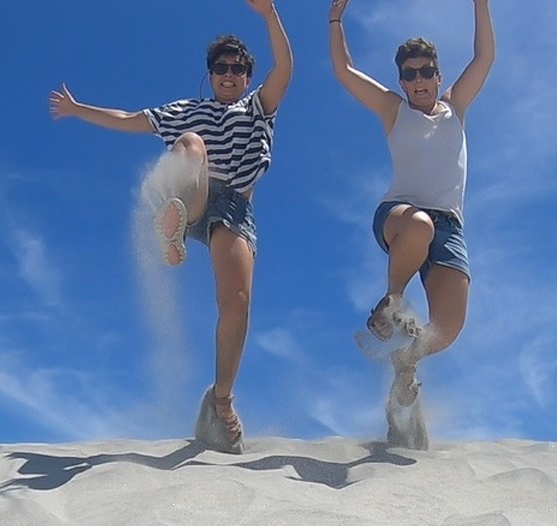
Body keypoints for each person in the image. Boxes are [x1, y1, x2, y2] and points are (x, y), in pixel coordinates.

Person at [50, 0, 292, 454]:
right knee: (191, 143)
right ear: (210, 72)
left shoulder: (259, 108)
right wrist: (80, 109)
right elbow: (130, 120)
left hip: (234, 211)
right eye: (221, 67)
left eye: (238, 68)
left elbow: (285, 69)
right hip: (196, 192)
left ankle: (221, 400)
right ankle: (176, 221)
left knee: (236, 305)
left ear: (246, 76)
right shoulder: (188, 109)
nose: (229, 73)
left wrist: (269, 14)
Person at [328, 0, 495, 444]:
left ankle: (407, 361)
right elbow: (344, 70)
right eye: (409, 74)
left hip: (450, 228)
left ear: (438, 77)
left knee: (448, 327)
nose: (418, 80)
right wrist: (335, 19)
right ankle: (393, 301)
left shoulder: (456, 107)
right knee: (418, 225)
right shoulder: (393, 110)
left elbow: (485, 58)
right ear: (401, 81)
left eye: (426, 72)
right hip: (400, 217)